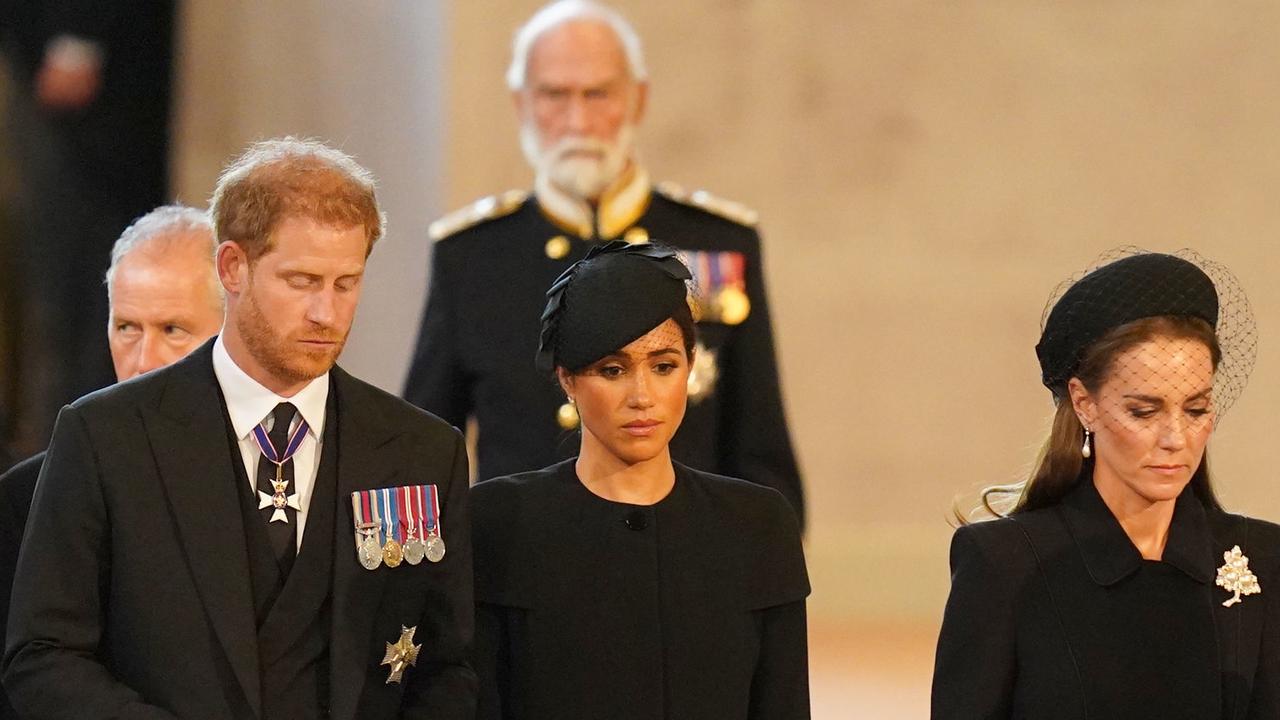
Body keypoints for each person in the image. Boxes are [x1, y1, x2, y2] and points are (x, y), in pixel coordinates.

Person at [3, 139, 477, 720]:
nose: (327, 314)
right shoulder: (106, 438)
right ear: (233, 267)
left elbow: (448, 668)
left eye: (345, 283)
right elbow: (42, 658)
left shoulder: (422, 451)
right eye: (302, 281)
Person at [403, 0, 804, 525]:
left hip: (682, 560)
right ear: (521, 103)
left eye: (599, 93)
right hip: (522, 570)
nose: (578, 119)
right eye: (554, 94)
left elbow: (759, 446)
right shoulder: (472, 255)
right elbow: (424, 450)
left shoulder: (716, 241)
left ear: (638, 100)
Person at [931, 250, 1280, 718]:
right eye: (1144, 411)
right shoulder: (1004, 564)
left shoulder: (1263, 558)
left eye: (1195, 409)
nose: (1175, 438)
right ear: (1084, 403)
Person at [471, 241, 810, 720]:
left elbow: (783, 705)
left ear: (691, 367)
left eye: (664, 367)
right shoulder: (498, 522)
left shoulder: (756, 525)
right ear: (567, 379)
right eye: (613, 370)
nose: (643, 396)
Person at [0, 204, 222, 720]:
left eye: (173, 330)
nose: (144, 361)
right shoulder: (25, 498)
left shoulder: (282, 474)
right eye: (127, 328)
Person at [0, 0, 176, 453]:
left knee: (80, 299)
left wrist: (77, 34)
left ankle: (71, 469)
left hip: (90, 87)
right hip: (42, 53)